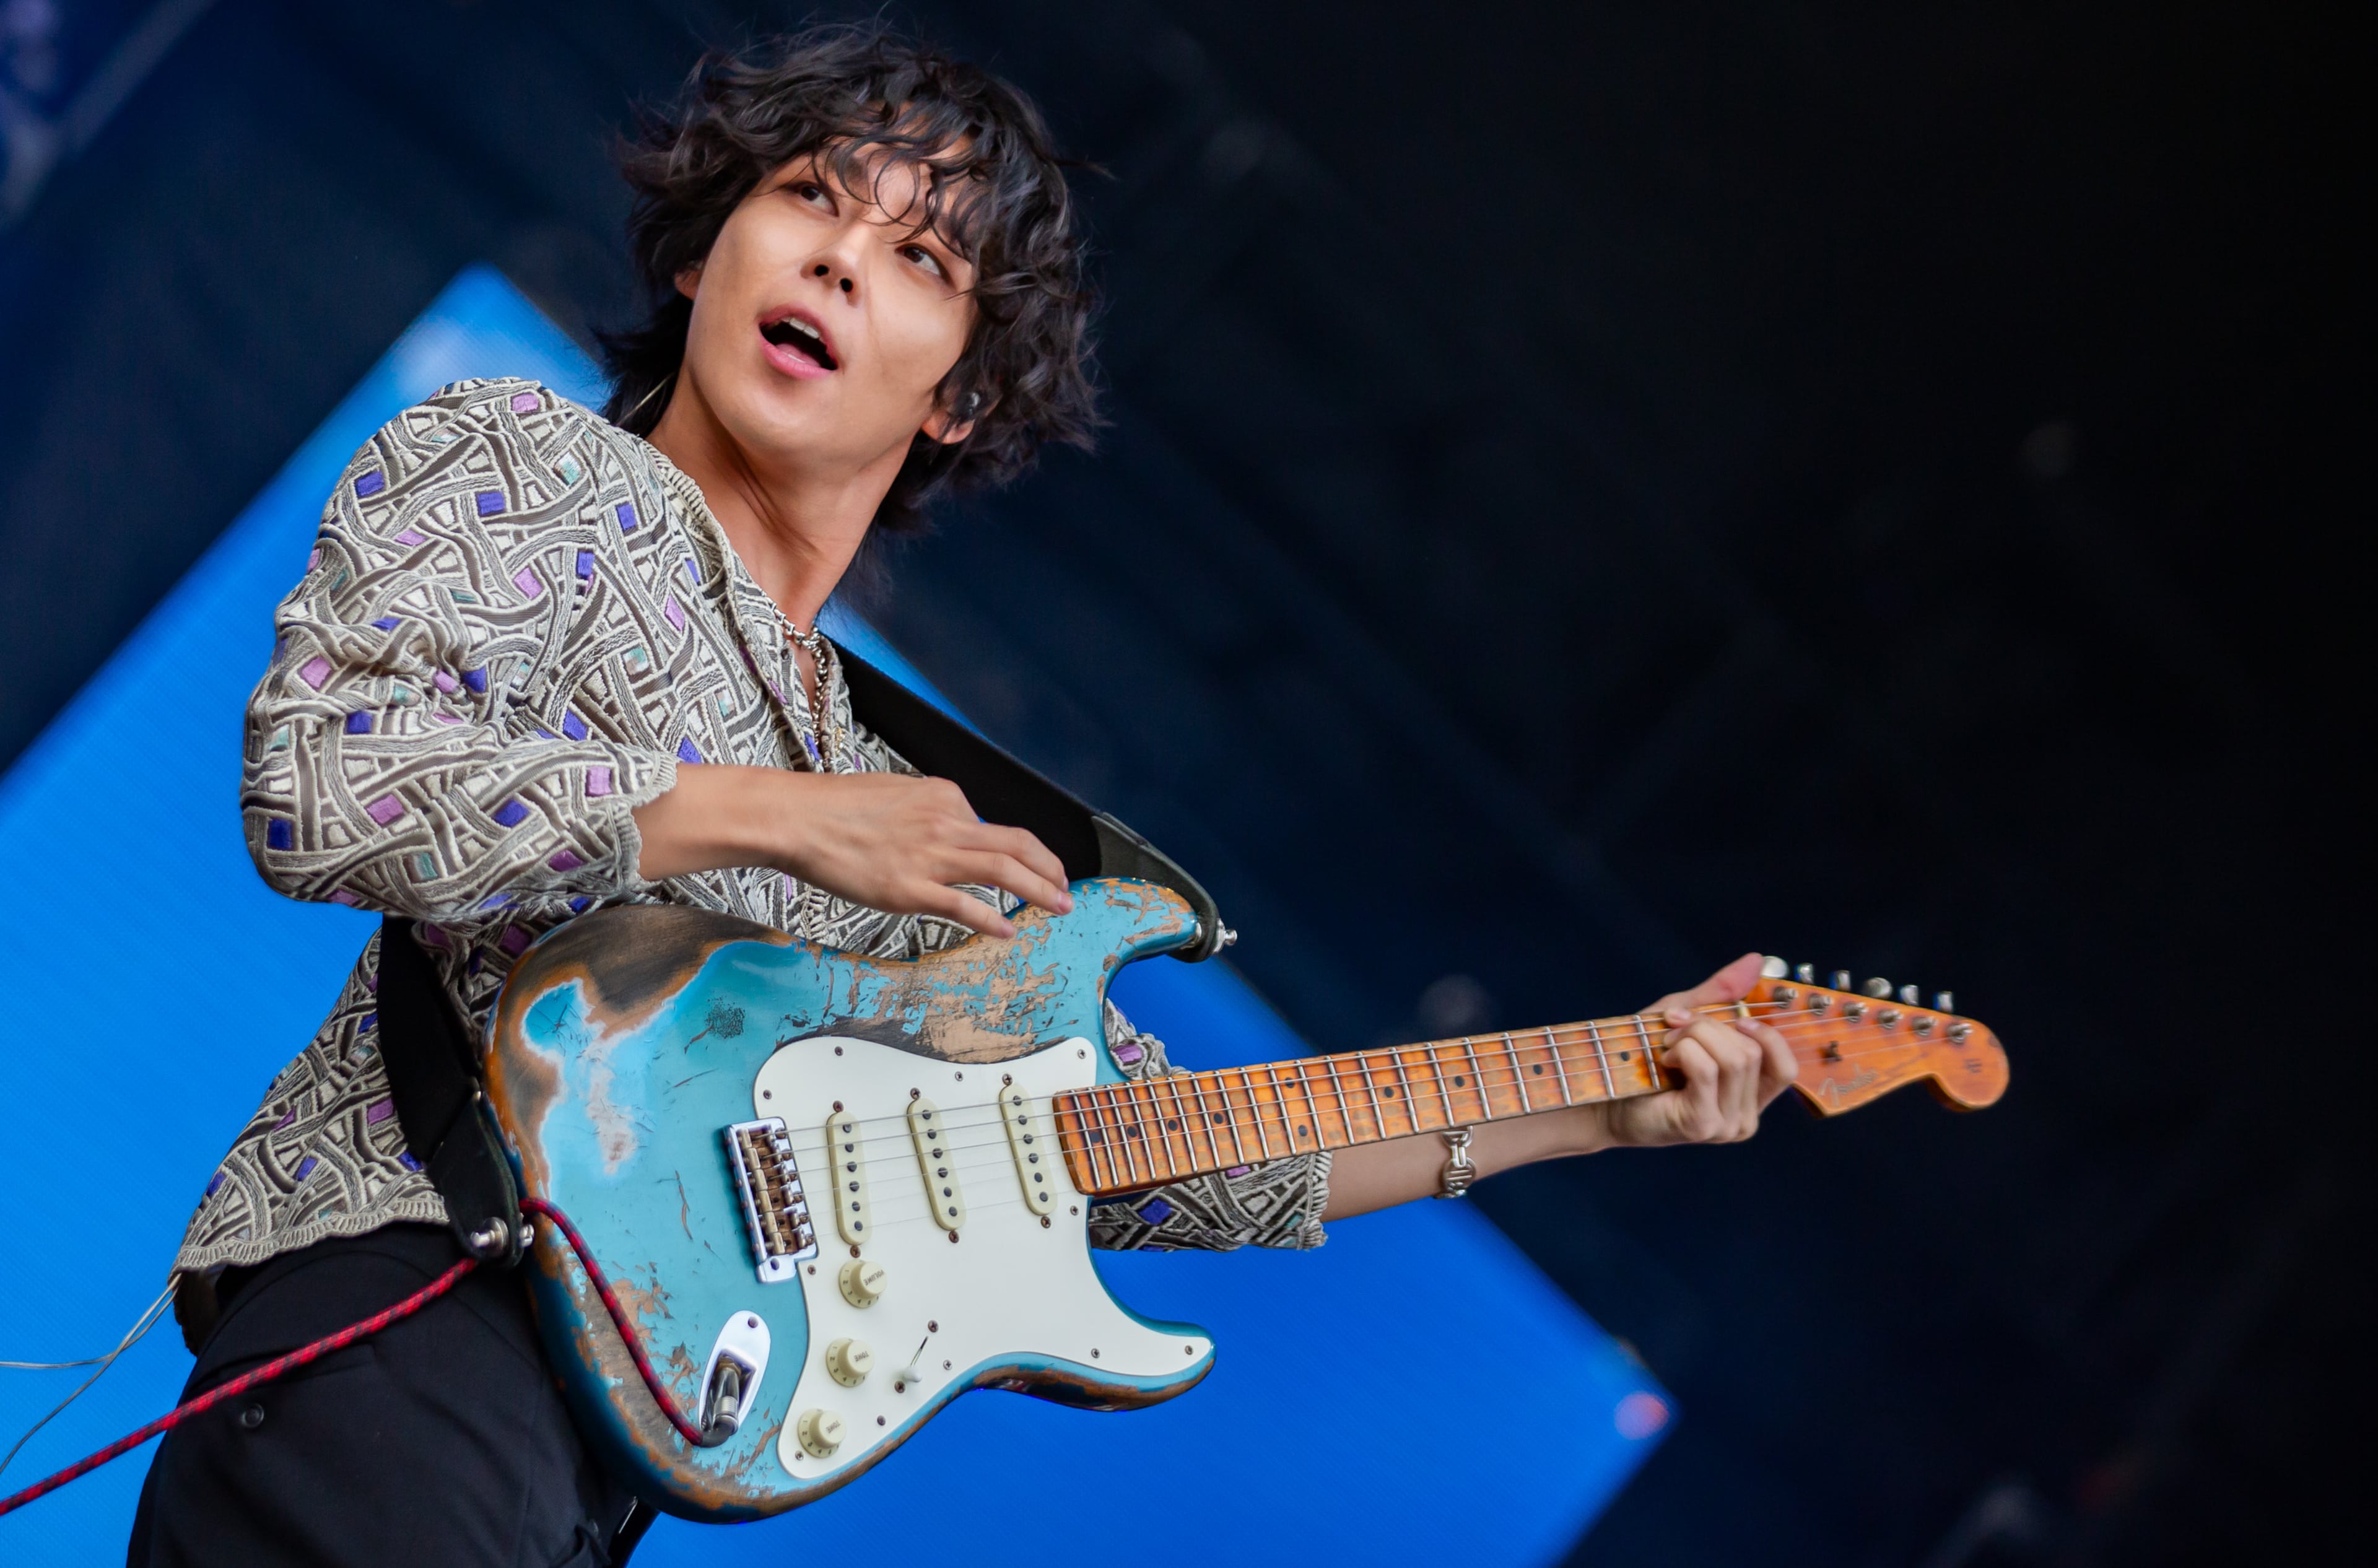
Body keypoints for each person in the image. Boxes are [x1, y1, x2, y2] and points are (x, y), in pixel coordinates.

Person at [131, 23, 1796, 1567]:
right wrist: (768, 813)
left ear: (962, 396)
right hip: (412, 1334)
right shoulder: (531, 467)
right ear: (707, 251)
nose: (840, 258)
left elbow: (1163, 1156)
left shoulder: (902, 811)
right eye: (809, 197)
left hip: (590, 1476)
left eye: (921, 258)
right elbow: (321, 783)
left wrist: (1611, 1096)